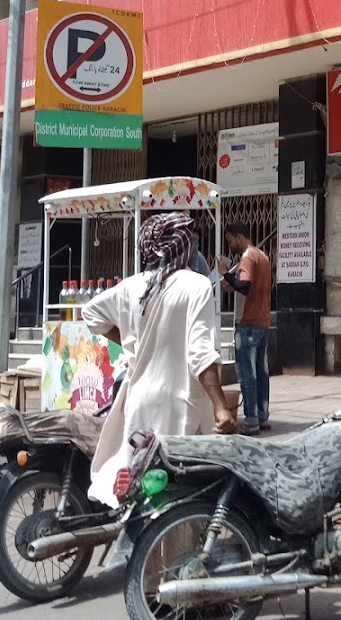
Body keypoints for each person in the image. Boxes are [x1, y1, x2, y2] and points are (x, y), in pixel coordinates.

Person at [82, 212, 237, 506]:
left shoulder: (131, 287)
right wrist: (221, 408)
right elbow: (201, 353)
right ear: (182, 247)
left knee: (140, 493)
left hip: (139, 403)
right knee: (180, 500)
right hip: (178, 406)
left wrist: (133, 342)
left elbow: (90, 313)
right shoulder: (196, 286)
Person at [218, 222, 272, 435]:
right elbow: (250, 289)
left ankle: (250, 420)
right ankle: (262, 416)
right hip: (263, 323)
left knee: (247, 373)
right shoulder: (263, 256)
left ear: (240, 237)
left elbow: (246, 286)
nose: (230, 245)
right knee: (261, 372)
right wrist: (232, 286)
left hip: (248, 324)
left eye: (231, 241)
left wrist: (226, 274)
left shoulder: (248, 257)